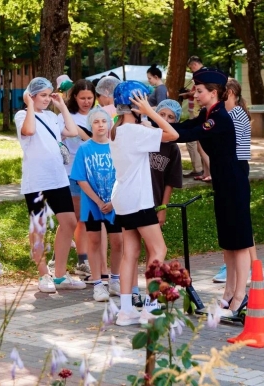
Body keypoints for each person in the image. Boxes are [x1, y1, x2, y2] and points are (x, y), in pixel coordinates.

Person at [170, 67, 253, 318]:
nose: (194, 93)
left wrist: (151, 116)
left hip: (235, 181)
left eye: (199, 90)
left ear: (214, 92)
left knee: (239, 243)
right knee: (228, 243)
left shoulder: (219, 117)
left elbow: (187, 134)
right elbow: (183, 128)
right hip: (223, 181)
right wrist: (150, 120)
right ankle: (228, 294)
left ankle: (240, 297)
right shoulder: (209, 112)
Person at [109, 81, 179, 326]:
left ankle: (126, 310)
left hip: (123, 199)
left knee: (131, 253)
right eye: (144, 101)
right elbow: (173, 135)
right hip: (139, 198)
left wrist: (145, 117)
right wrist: (150, 112)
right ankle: (150, 306)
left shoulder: (116, 130)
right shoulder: (135, 132)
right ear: (135, 103)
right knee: (159, 250)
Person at [15, 77, 86, 293]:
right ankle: (43, 274)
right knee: (38, 227)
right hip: (36, 181)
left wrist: (62, 105)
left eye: (48, 95)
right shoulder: (22, 115)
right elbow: (28, 131)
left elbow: (73, 132)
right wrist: (29, 105)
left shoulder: (52, 117)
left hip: (58, 178)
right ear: (32, 95)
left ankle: (60, 276)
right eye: (42, 95)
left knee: (69, 222)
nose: (46, 99)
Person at [130, 99, 183, 309]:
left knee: (153, 250)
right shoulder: (143, 136)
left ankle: (151, 294)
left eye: (171, 118)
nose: (166, 119)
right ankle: (133, 293)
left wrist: (163, 208)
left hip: (153, 204)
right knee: (132, 250)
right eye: (163, 114)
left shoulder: (172, 148)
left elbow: (171, 181)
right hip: (135, 201)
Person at [70, 107, 123, 301]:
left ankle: (115, 279)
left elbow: (123, 175)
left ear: (109, 123)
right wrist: (99, 201)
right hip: (92, 203)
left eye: (103, 121)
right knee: (93, 241)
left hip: (115, 203)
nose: (100, 125)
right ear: (90, 125)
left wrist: (112, 201)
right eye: (96, 122)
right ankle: (98, 283)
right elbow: (81, 179)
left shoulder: (116, 147)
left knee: (118, 241)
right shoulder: (85, 148)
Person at [211, 78, 255, 283]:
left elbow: (228, 145)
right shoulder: (231, 114)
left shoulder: (235, 115)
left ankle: (247, 266)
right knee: (237, 221)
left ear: (229, 93)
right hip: (231, 167)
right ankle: (246, 265)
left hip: (236, 167)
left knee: (239, 221)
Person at [55, 80, 97, 279]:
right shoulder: (65, 116)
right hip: (70, 172)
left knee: (85, 220)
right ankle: (60, 257)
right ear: (74, 97)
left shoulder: (97, 117)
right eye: (83, 98)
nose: (87, 102)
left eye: (90, 98)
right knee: (74, 218)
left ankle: (83, 260)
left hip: (92, 174)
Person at [181, 56, 210, 181]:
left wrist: (186, 94)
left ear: (197, 64)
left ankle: (207, 171)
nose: (192, 70)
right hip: (198, 111)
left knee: (201, 145)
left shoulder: (203, 75)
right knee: (200, 145)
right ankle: (205, 172)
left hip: (200, 112)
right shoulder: (200, 76)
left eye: (193, 67)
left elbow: (198, 92)